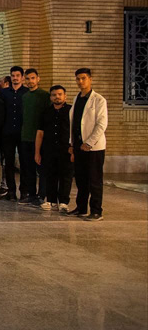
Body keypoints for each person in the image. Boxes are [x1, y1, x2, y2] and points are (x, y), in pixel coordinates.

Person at [68, 68, 108, 221]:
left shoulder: (99, 100)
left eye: (83, 78)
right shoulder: (77, 98)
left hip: (94, 148)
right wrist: (72, 143)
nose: (80, 81)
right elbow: (74, 124)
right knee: (81, 178)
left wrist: (89, 143)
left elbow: (101, 124)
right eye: (78, 79)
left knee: (94, 179)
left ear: (90, 79)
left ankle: (96, 211)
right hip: (79, 145)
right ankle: (81, 208)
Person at [36, 85, 72, 212]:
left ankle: (63, 202)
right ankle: (51, 200)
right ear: (50, 97)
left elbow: (75, 131)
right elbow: (40, 133)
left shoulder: (71, 111)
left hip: (66, 149)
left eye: (59, 94)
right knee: (50, 175)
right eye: (54, 95)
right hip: (49, 149)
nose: (57, 97)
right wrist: (37, 152)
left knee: (65, 176)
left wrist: (73, 148)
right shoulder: (46, 112)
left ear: (65, 96)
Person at [0, 66, 29, 201]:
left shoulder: (27, 93)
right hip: (8, 133)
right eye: (13, 75)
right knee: (9, 163)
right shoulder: (4, 93)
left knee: (24, 163)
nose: (15, 78)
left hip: (23, 133)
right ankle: (11, 191)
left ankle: (24, 191)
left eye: (17, 75)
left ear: (22, 77)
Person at [20, 68, 49, 206]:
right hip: (26, 137)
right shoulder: (25, 96)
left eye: (32, 78)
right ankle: (31, 194)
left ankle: (42, 194)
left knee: (42, 169)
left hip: (41, 138)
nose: (30, 81)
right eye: (27, 78)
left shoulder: (44, 96)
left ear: (38, 79)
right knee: (28, 168)